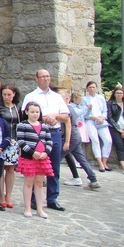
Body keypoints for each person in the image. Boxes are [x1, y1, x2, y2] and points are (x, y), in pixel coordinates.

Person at [21, 69, 69, 212]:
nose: (46, 79)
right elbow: (25, 115)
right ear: (37, 79)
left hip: (54, 133)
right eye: (43, 77)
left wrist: (55, 116)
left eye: (47, 76)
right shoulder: (31, 96)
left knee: (54, 167)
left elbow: (66, 116)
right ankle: (34, 199)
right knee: (36, 167)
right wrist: (44, 118)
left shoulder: (57, 97)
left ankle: (52, 198)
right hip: (36, 134)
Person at [17, 101, 54, 219]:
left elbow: (49, 141)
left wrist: (45, 152)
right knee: (29, 182)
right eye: (32, 112)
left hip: (42, 158)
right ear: (27, 112)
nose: (35, 114)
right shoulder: (22, 125)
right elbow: (21, 141)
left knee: (39, 183)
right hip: (29, 158)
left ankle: (40, 208)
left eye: (37, 112)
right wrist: (32, 152)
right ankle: (27, 208)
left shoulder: (44, 126)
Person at [58, 88, 100, 189]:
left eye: (61, 97)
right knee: (81, 159)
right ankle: (93, 179)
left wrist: (67, 141)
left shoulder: (67, 109)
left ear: (67, 98)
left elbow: (68, 126)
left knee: (57, 156)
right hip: (76, 135)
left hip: (72, 136)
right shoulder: (70, 108)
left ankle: (49, 177)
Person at [0, 84, 21, 208]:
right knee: (1, 168)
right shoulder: (0, 108)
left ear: (14, 95)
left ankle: (9, 196)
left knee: (11, 169)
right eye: (4, 94)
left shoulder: (18, 108)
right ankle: (1, 195)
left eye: (9, 94)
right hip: (1, 140)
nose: (7, 97)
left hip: (14, 140)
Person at [82, 80, 112, 171]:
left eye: (93, 87)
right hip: (90, 121)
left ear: (96, 88)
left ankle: (104, 161)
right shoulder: (85, 99)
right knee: (95, 140)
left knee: (108, 140)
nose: (92, 89)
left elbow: (105, 110)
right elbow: (85, 114)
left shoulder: (101, 98)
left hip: (101, 120)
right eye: (90, 87)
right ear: (87, 89)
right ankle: (99, 162)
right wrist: (95, 118)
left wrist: (102, 118)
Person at [107, 86, 124, 172]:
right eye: (117, 93)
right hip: (115, 128)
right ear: (114, 94)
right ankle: (123, 165)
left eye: (121, 93)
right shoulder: (110, 103)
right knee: (119, 145)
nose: (119, 95)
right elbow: (110, 118)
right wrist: (119, 129)